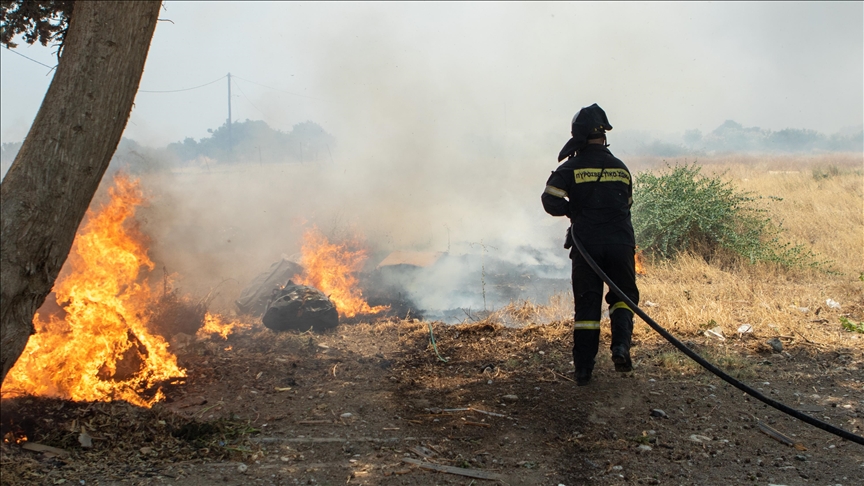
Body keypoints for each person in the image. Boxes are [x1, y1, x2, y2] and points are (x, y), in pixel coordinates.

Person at [541, 104, 640, 386]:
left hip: (588, 247)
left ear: (579, 136)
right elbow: (627, 204)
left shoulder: (571, 167)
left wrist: (573, 211)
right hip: (621, 244)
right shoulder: (620, 168)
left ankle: (584, 370)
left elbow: (549, 198)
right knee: (623, 297)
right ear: (603, 136)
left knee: (587, 306)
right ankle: (620, 348)